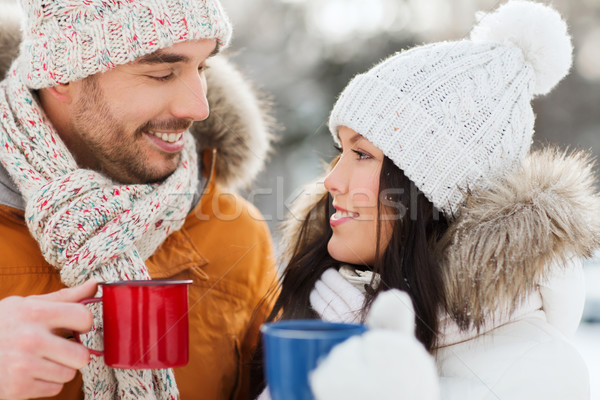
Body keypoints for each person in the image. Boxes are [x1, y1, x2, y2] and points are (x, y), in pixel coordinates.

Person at [252, 1, 600, 399]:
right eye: (341, 150)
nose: (332, 180)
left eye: (363, 154)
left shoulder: (542, 371)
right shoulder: (326, 307)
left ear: (431, 193)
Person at [0, 1, 276, 399]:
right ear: (60, 75)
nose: (199, 107)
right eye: (163, 73)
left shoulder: (235, 233)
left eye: (202, 68)